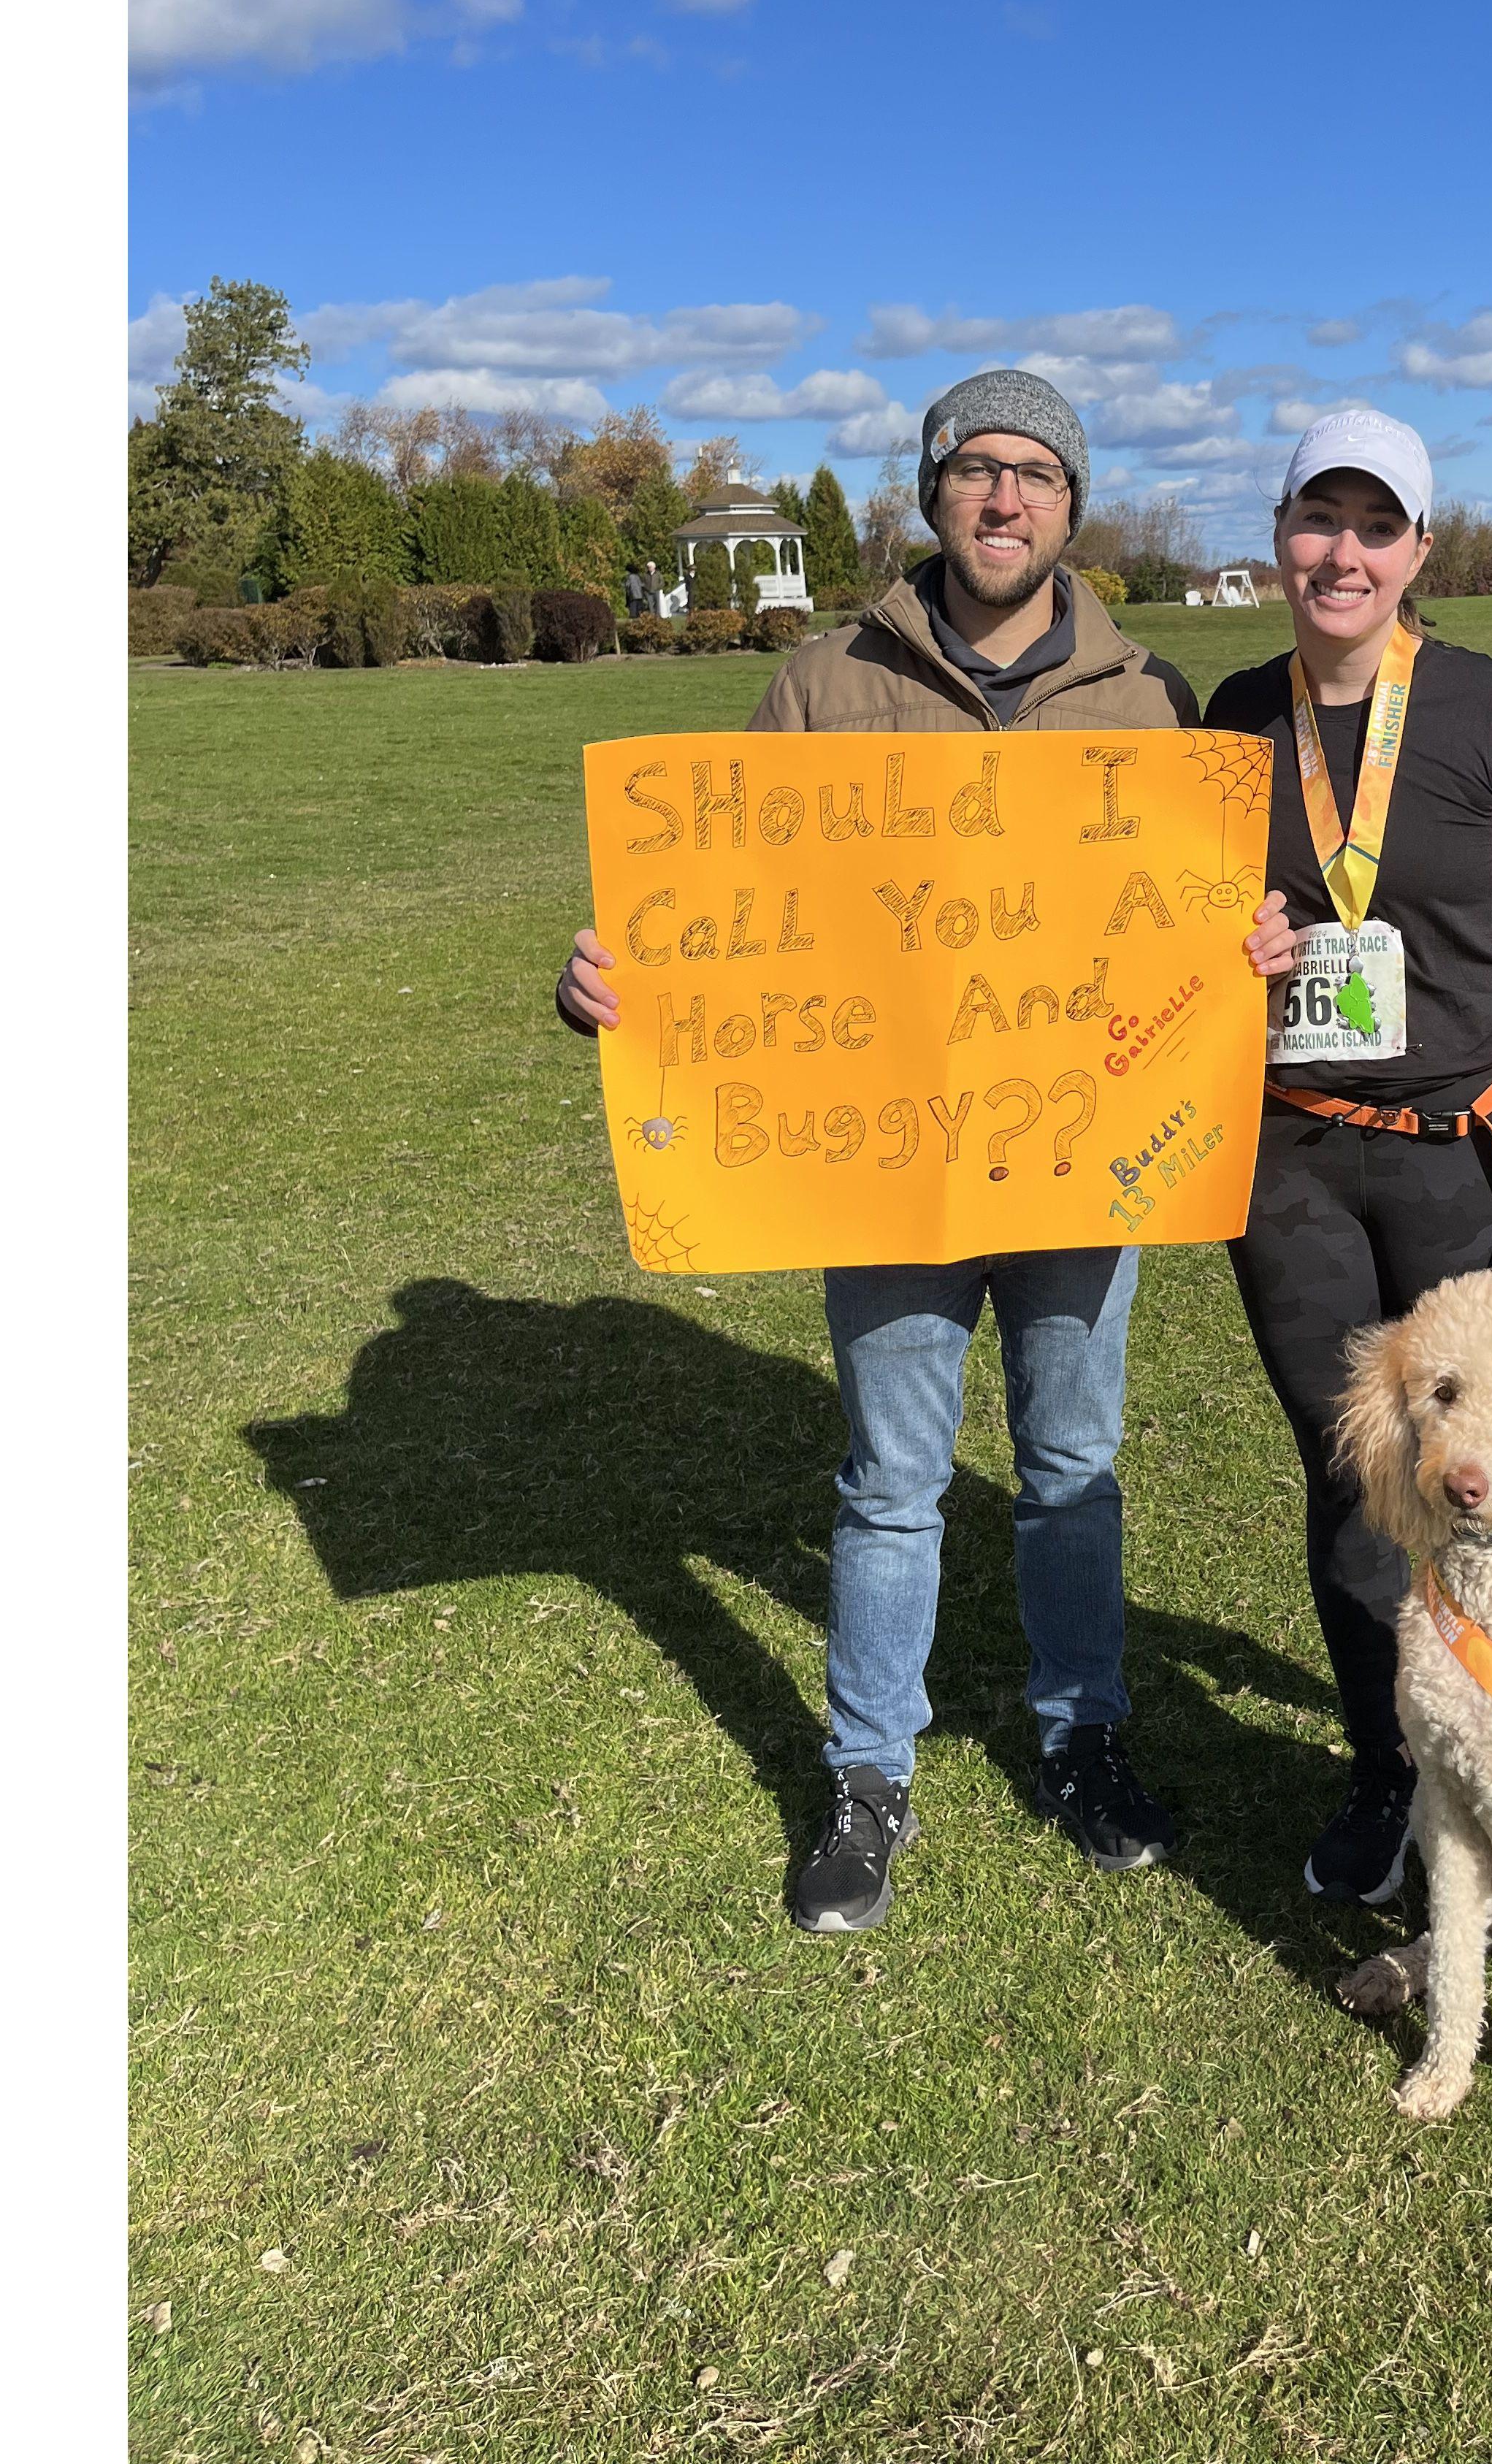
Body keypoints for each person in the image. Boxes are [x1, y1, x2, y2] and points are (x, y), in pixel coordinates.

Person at [554, 370, 1200, 1934]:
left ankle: (1082, 1737)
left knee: (1070, 1470)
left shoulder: (1148, 696)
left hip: (1074, 1160)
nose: (1003, 499)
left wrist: (1235, 951)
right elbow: (731, 910)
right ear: (931, 491)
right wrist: (616, 990)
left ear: (1071, 503)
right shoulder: (824, 679)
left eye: (1036, 473)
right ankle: (869, 1780)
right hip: (884, 1157)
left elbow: (1179, 924)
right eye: (975, 469)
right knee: (894, 1482)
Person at [1212, 409, 1492, 1905]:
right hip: (1293, 1161)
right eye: (1322, 520)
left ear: (1419, 551)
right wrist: (1221, 941)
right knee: (1362, 1482)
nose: (1345, 554)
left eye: (1379, 528)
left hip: (1461, 1156)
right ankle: (1391, 1776)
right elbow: (1162, 928)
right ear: (1281, 537)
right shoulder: (1234, 720)